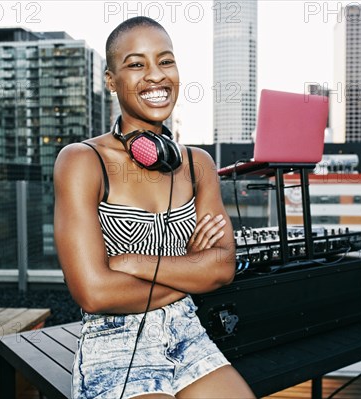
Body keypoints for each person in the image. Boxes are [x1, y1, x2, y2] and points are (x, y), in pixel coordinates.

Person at [53, 16, 255, 399]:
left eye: (165, 61)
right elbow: (94, 294)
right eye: (136, 64)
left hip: (188, 332)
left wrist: (134, 262)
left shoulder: (199, 164)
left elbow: (224, 268)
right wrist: (192, 270)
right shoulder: (81, 161)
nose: (155, 76)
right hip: (115, 343)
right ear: (111, 80)